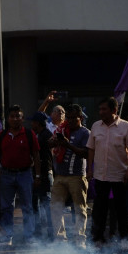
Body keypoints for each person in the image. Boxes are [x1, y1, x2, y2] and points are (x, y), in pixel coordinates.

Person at [86, 97, 128, 244]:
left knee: (120, 209)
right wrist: (90, 169)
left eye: (104, 109)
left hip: (119, 175)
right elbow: (90, 149)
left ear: (114, 110)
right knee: (99, 209)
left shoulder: (126, 126)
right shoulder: (96, 126)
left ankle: (123, 238)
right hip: (100, 175)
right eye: (100, 109)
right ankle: (98, 237)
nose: (101, 112)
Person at [0, 104, 41, 245]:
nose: (15, 119)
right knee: (6, 207)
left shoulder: (29, 134)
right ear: (8, 119)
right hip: (6, 175)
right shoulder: (2, 136)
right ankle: (8, 236)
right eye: (12, 116)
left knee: (27, 207)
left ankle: (29, 237)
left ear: (22, 118)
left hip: (25, 174)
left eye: (18, 116)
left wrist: (37, 175)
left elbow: (36, 156)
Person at [49, 104, 90, 244]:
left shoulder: (85, 133)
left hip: (77, 176)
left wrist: (67, 145)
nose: (71, 121)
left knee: (79, 208)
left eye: (74, 118)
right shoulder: (62, 129)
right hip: (60, 175)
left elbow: (85, 153)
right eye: (69, 118)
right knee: (55, 207)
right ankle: (60, 239)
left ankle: (80, 239)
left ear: (80, 118)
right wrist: (54, 141)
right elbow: (47, 145)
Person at [29, 111, 54, 241]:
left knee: (46, 204)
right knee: (36, 204)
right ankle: (38, 233)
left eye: (32, 121)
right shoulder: (38, 134)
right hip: (37, 174)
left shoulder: (46, 135)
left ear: (37, 123)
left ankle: (51, 234)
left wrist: (38, 175)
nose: (31, 123)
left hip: (44, 174)